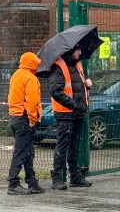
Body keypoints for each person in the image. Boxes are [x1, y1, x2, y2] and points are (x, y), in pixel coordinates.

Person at [48, 46, 94, 189]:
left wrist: (87, 85)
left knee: (74, 146)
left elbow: (76, 86)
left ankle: (75, 176)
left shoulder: (77, 64)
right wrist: (73, 104)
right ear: (70, 51)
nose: (80, 53)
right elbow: (56, 91)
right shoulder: (59, 66)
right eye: (77, 50)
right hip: (65, 113)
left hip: (78, 112)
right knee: (63, 146)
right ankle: (57, 177)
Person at [6, 52, 45, 195]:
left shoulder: (16, 75)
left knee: (27, 151)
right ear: (33, 64)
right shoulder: (31, 78)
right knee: (22, 152)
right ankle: (13, 183)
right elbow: (32, 101)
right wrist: (32, 119)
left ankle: (32, 182)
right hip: (25, 119)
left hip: (15, 117)